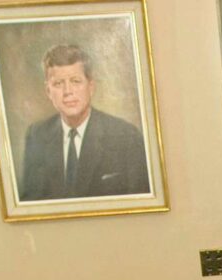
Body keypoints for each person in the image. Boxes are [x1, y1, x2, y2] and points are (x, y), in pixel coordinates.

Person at [18, 44, 151, 201]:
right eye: (58, 83)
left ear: (91, 87)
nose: (68, 92)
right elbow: (30, 202)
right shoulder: (36, 135)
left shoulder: (126, 136)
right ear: (48, 91)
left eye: (75, 81)